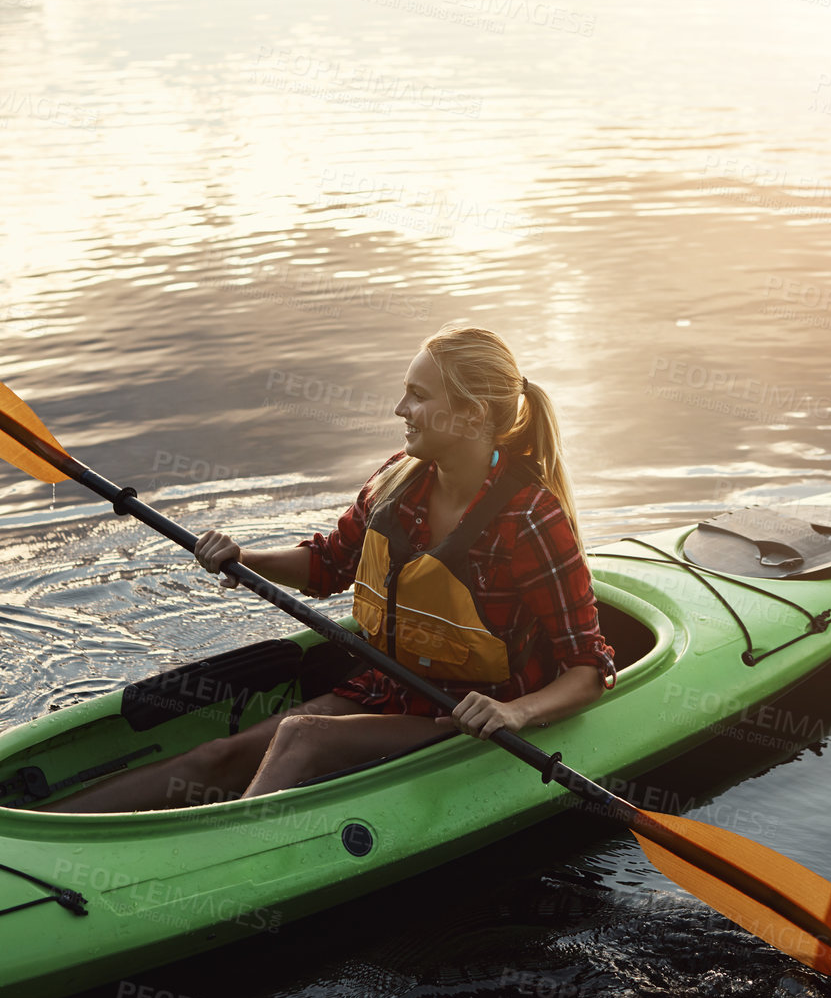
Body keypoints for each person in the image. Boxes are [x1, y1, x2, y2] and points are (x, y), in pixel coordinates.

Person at [47, 324, 615, 812]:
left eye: (417, 396)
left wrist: (514, 712)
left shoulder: (531, 519)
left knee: (302, 736)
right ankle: (38, 835)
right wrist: (243, 557)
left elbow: (588, 667)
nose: (400, 410)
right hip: (391, 687)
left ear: (469, 414)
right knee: (220, 754)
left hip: (465, 717)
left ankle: (213, 864)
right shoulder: (398, 479)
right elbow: (326, 566)